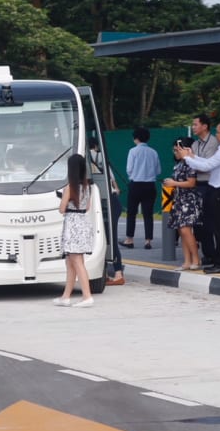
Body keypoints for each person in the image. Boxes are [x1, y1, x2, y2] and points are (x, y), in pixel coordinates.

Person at [177, 120, 220, 275]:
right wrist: (193, 157)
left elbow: (206, 167)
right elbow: (208, 162)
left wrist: (187, 158)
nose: (216, 135)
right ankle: (219, 262)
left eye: (218, 132)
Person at [55, 154, 95, 307]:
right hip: (83, 223)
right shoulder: (88, 187)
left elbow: (61, 209)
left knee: (76, 262)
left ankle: (87, 296)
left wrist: (63, 199)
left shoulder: (69, 188)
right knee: (72, 262)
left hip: (72, 225)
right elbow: (87, 207)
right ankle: (66, 296)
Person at [162, 137, 202, 270]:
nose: (176, 152)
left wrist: (174, 183)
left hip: (189, 200)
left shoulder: (191, 163)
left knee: (186, 230)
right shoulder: (179, 164)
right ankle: (187, 261)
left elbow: (191, 183)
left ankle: (196, 259)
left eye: (178, 150)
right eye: (174, 150)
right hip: (179, 199)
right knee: (182, 230)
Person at [88, 140, 125, 286]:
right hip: (110, 199)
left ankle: (118, 274)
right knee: (109, 237)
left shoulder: (87, 157)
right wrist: (116, 189)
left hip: (106, 202)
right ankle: (114, 272)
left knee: (109, 238)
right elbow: (111, 177)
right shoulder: (97, 156)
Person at [121, 126, 160, 250]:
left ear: (135, 138)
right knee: (148, 214)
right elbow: (158, 170)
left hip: (136, 184)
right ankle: (148, 241)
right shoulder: (154, 152)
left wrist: (133, 176)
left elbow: (129, 169)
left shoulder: (133, 151)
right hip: (150, 185)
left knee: (131, 213)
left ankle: (129, 239)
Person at [190, 114, 220, 264]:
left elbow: (208, 166)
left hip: (209, 184)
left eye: (195, 124)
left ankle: (212, 254)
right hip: (197, 184)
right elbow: (192, 164)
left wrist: (196, 163)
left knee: (208, 222)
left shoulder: (213, 143)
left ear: (205, 126)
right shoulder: (196, 144)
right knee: (198, 222)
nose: (193, 127)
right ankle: (207, 253)